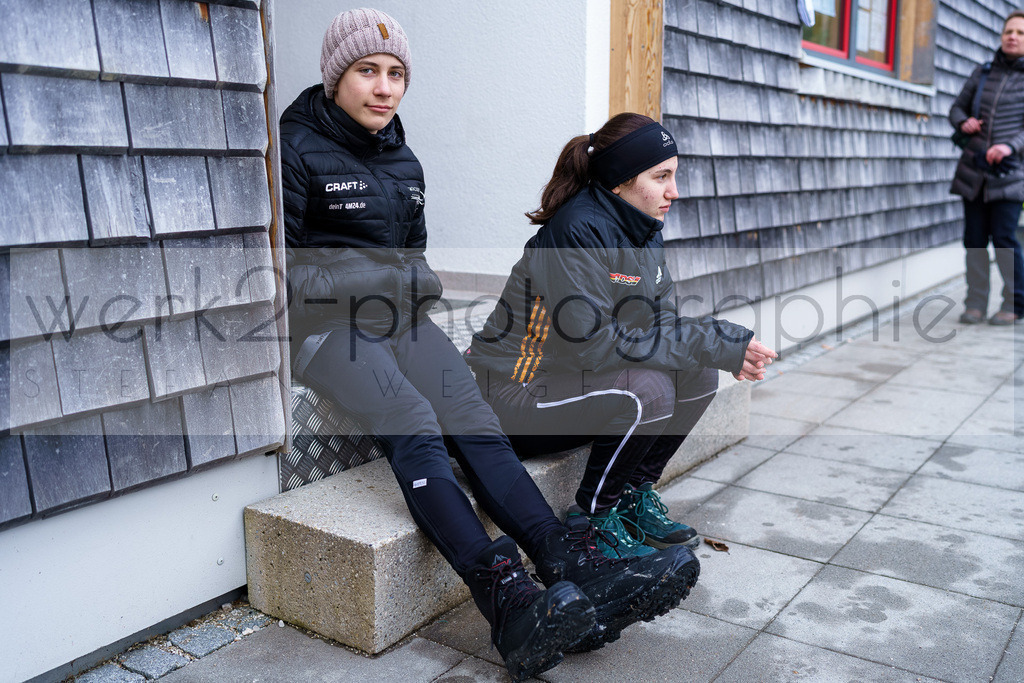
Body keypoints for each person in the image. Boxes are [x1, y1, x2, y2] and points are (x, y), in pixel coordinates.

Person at [279, 10, 699, 677]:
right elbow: (295, 272)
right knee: (415, 420)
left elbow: (415, 268)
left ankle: (567, 560)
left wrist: (398, 282)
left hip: (401, 320)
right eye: (367, 72)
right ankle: (503, 595)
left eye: (395, 74)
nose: (384, 88)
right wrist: (385, 280)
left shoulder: (403, 157)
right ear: (336, 76)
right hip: (328, 330)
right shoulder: (294, 147)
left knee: (472, 414)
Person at [467, 113, 777, 558]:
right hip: (511, 398)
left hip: (567, 383)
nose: (674, 191)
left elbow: (662, 323)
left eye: (674, 175)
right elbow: (591, 343)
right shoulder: (575, 232)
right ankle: (592, 521)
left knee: (698, 375)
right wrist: (711, 340)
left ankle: (633, 496)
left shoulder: (642, 230)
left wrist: (721, 343)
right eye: (662, 176)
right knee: (646, 390)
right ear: (620, 181)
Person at [949, 9, 1024, 326]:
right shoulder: (982, 73)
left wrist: (1010, 146)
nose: (1013, 37)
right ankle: (976, 303)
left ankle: (1014, 303)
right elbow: (955, 109)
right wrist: (963, 121)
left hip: (1009, 175)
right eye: (1010, 31)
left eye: (1021, 33)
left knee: (1005, 239)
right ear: (1001, 35)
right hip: (973, 172)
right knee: (974, 240)